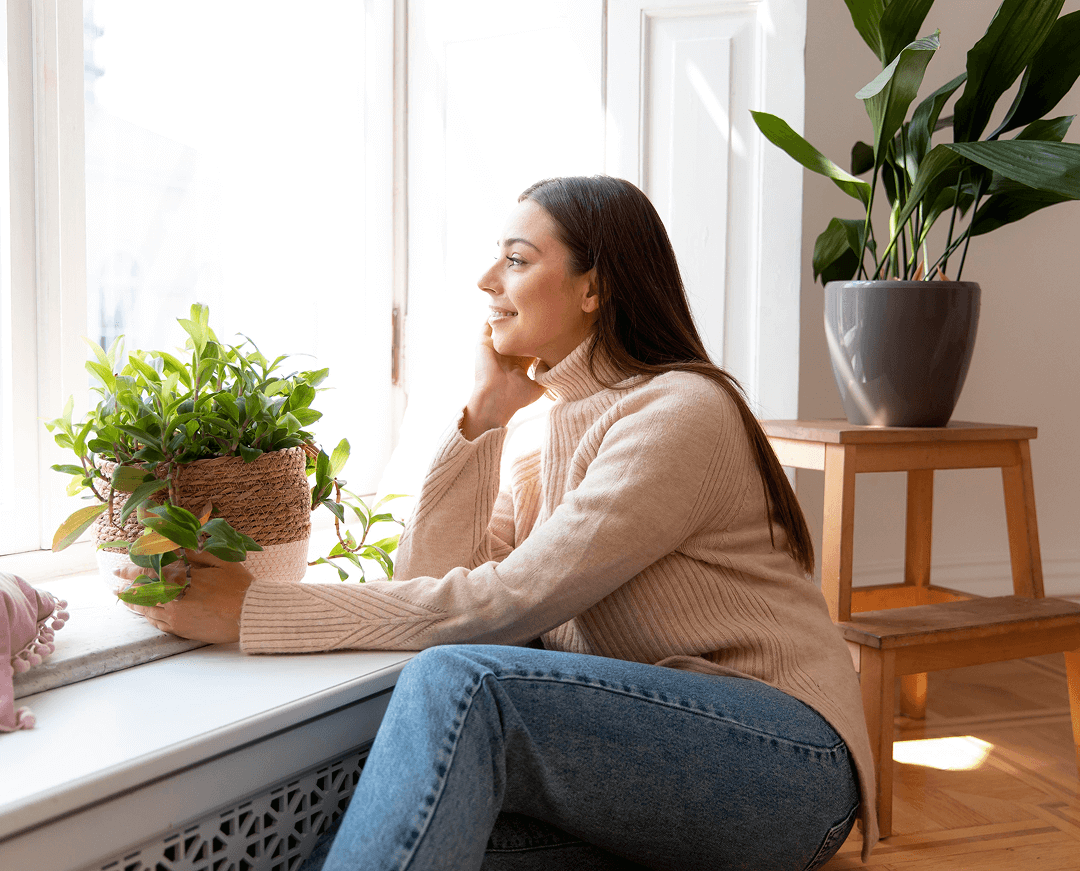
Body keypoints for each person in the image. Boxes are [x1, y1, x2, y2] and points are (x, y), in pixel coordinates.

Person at [128, 176, 878, 870]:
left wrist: (258, 606)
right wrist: (483, 418)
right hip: (652, 758)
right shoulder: (542, 432)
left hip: (785, 762)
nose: (488, 283)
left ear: (595, 286)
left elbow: (508, 602)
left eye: (516, 260)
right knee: (362, 842)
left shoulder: (678, 411)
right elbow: (431, 583)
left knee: (466, 684)